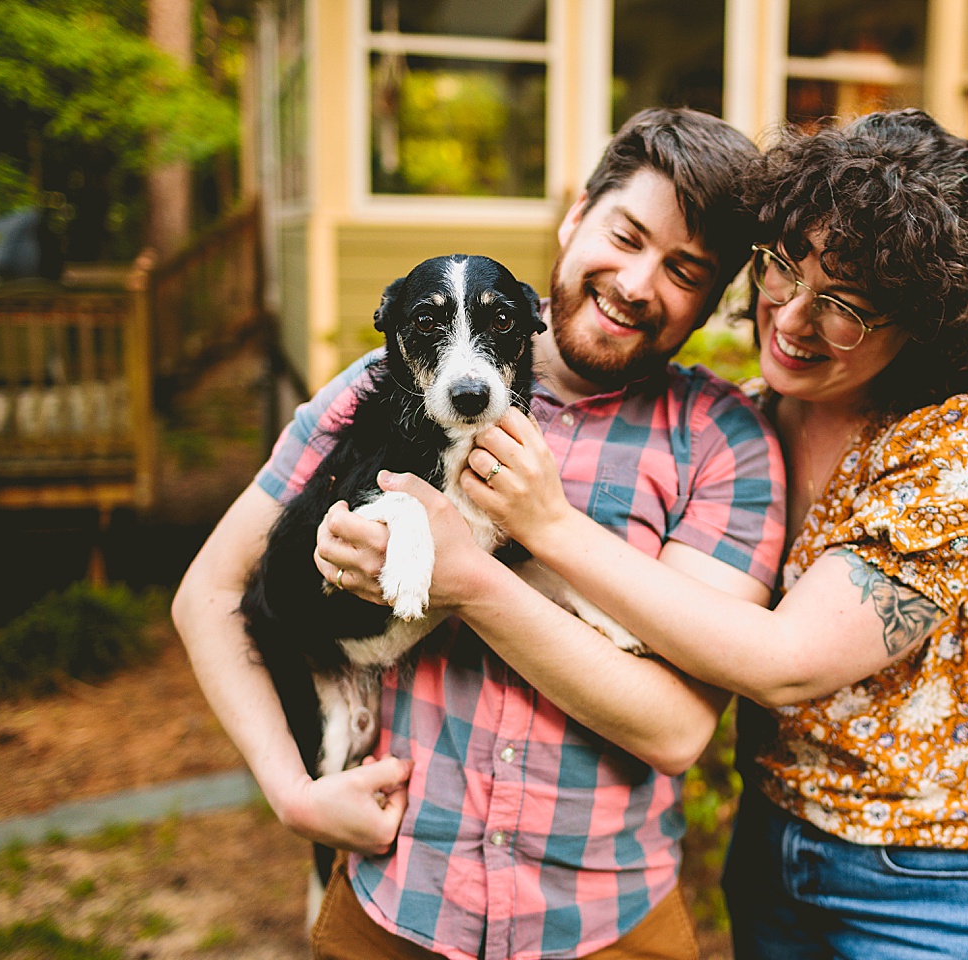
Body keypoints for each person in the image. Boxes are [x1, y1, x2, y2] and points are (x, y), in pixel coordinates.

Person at [327, 109, 968, 959]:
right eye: (783, 273)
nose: (790, 320)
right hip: (780, 839)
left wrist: (543, 528)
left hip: (945, 873)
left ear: (926, 320)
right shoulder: (765, 414)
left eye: (847, 307)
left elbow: (785, 664)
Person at [172, 106, 786, 960]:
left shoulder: (723, 444)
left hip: (605, 927)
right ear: (576, 215)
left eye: (685, 268)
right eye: (627, 233)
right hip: (394, 907)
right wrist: (293, 793)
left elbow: (675, 731)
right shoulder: (387, 382)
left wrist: (480, 571)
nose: (639, 282)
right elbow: (208, 592)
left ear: (714, 300)